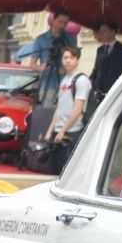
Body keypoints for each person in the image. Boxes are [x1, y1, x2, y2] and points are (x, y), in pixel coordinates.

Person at [46, 44, 92, 172]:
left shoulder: (81, 80)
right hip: (58, 130)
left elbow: (78, 109)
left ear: (77, 60)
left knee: (67, 170)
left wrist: (63, 131)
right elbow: (59, 107)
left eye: (71, 57)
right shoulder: (65, 79)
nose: (68, 60)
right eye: (65, 57)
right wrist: (50, 130)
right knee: (55, 171)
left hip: (72, 132)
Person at [89, 19, 122, 102]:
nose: (101, 34)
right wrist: (92, 85)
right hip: (99, 90)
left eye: (104, 31)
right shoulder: (100, 50)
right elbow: (96, 69)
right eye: (100, 31)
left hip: (113, 89)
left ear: (112, 32)